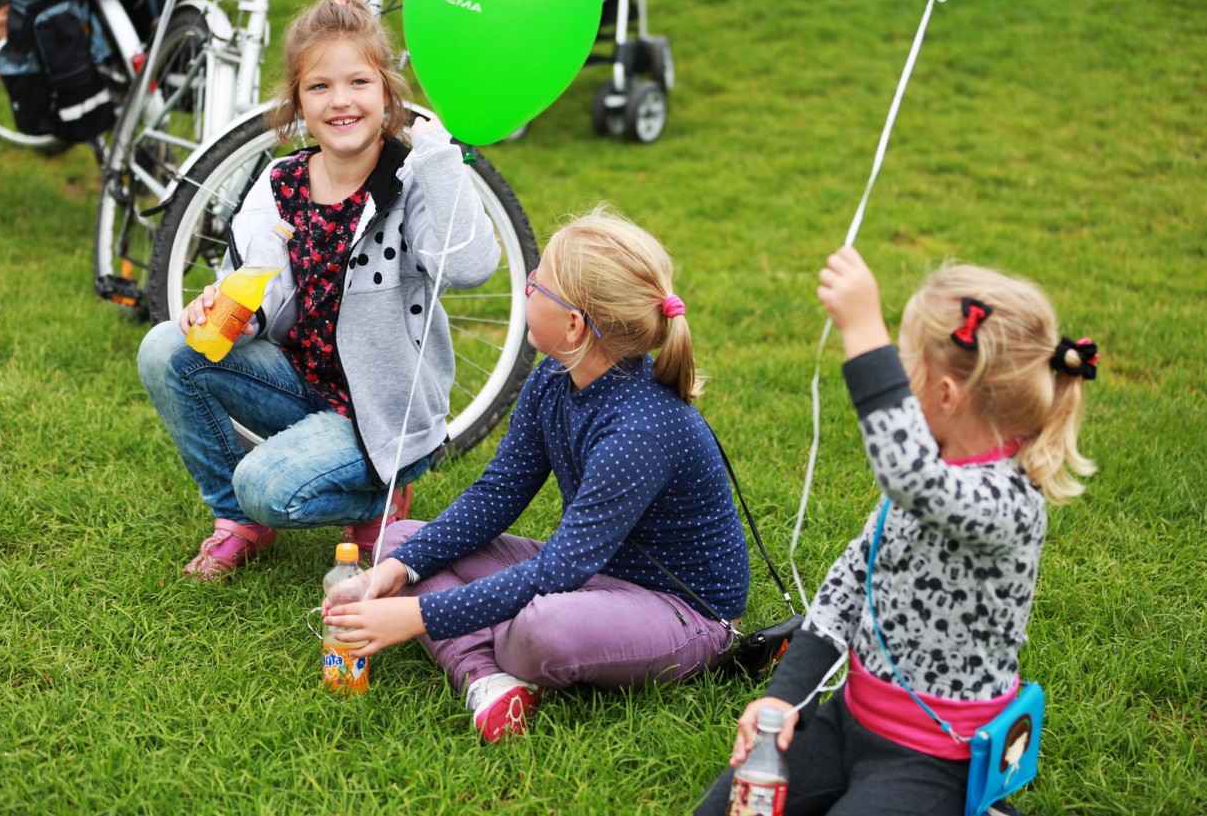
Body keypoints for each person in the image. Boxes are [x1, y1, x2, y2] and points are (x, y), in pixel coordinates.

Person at [694, 247, 1098, 815]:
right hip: (848, 722)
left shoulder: (1007, 501)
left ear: (946, 395)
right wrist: (786, 699)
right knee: (729, 807)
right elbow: (845, 588)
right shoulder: (928, 477)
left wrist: (863, 329)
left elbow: (912, 476)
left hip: (935, 757)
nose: (897, 377)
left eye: (903, 363)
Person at [322, 209, 751, 742]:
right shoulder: (555, 375)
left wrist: (417, 616)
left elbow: (559, 570)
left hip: (679, 610)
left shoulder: (639, 429)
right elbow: (498, 495)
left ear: (573, 325)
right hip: (590, 576)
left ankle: (485, 655)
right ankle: (489, 681)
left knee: (539, 631)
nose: (526, 288)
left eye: (536, 283)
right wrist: (396, 572)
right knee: (400, 544)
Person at [137, 0, 499, 581]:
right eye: (319, 86)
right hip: (301, 382)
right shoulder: (280, 182)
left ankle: (378, 504)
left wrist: (440, 157)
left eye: (358, 82)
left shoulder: (412, 181)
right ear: (297, 100)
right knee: (164, 348)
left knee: (264, 485)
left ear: (387, 91)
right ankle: (239, 521)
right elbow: (260, 291)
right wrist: (224, 311)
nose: (340, 101)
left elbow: (470, 266)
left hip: (379, 413)